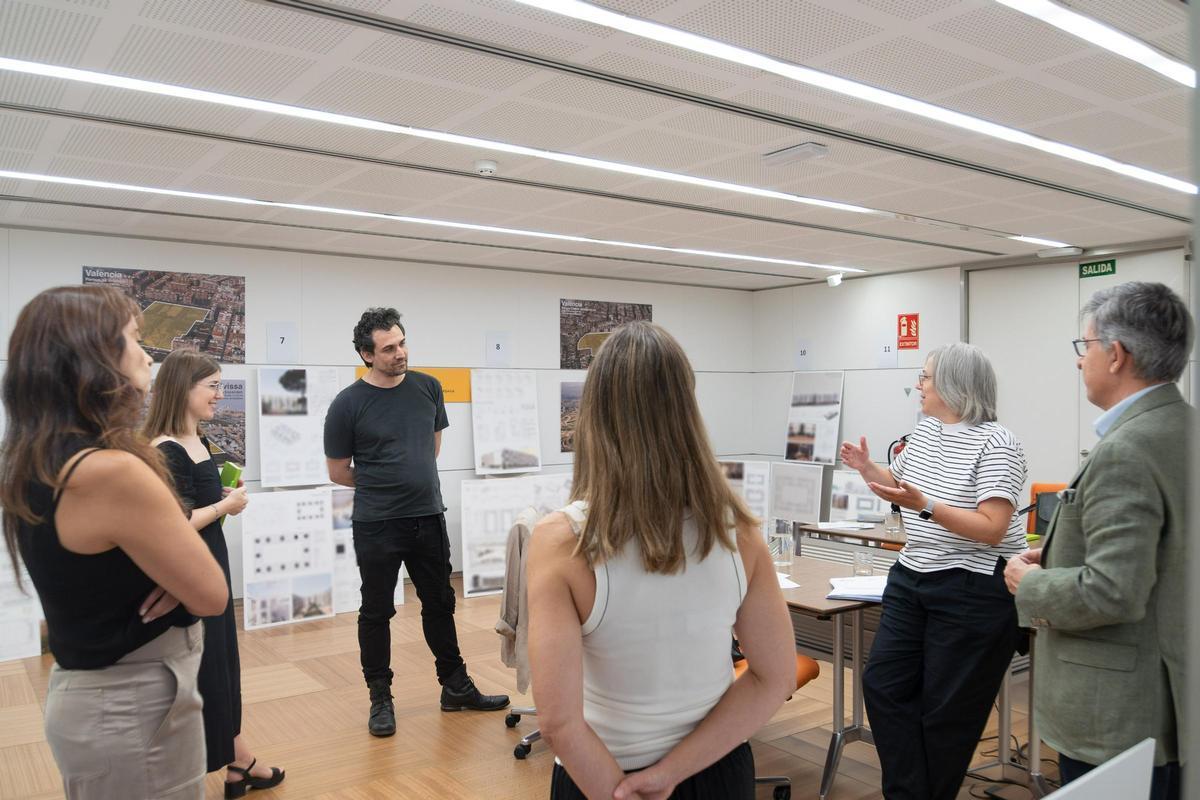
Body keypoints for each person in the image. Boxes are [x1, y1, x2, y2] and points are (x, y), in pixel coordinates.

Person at [528, 321, 796, 800]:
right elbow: (773, 677)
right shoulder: (740, 532)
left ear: (593, 414)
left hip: (598, 777)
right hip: (717, 770)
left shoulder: (563, 541)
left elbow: (558, 722)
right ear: (688, 409)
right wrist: (671, 773)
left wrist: (626, 789)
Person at [0, 285, 228, 800]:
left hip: (100, 701)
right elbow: (211, 594)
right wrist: (175, 572)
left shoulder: (37, 463)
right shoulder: (112, 472)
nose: (148, 356)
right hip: (134, 706)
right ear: (93, 361)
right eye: (134, 339)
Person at [1005, 282, 1193, 800]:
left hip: (1118, 715)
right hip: (1171, 698)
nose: (1078, 362)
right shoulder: (1182, 428)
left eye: (1082, 347)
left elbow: (1114, 591)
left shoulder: (1127, 449)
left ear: (1116, 356)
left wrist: (1033, 582)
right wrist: (1065, 553)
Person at [839, 342, 1027, 800]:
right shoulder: (924, 433)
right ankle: (911, 792)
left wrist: (924, 505)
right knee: (882, 685)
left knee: (946, 713)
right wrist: (869, 470)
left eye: (925, 377)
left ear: (954, 384)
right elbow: (900, 489)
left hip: (973, 585)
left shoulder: (997, 443)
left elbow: (991, 528)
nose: (918, 385)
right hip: (912, 575)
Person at [324, 307, 508, 737]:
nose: (400, 353)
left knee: (440, 603)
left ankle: (455, 686)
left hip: (428, 516)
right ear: (367, 355)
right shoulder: (347, 404)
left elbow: (432, 449)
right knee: (376, 611)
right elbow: (338, 471)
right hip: (377, 523)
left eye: (402, 343)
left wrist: (409, 483)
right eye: (389, 349)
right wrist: (383, 486)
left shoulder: (428, 388)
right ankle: (381, 697)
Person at [144, 349, 284, 798]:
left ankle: (239, 763)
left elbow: (193, 506)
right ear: (183, 389)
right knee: (203, 671)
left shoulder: (195, 441)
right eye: (214, 387)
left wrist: (219, 496)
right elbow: (170, 524)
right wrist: (225, 506)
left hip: (209, 565)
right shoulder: (163, 447)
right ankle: (216, 767)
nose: (220, 396)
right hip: (189, 573)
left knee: (221, 666)